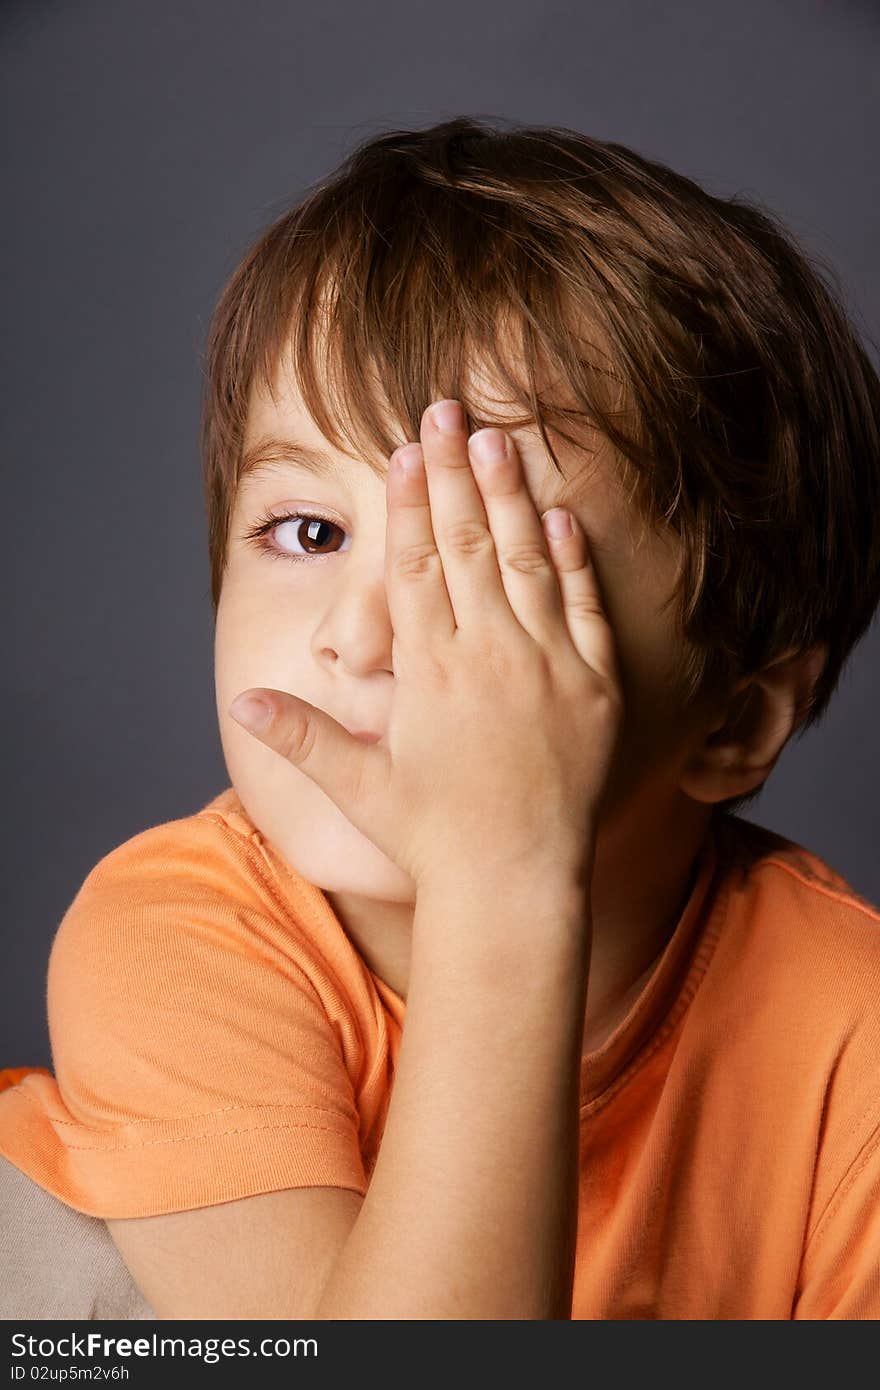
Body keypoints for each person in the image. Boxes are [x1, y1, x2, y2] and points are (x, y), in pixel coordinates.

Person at [2, 116, 879, 1320]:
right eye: (308, 532)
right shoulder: (174, 939)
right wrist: (503, 882)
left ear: (730, 720)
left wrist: (501, 870)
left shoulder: (849, 1027)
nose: (354, 637)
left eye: (489, 573)